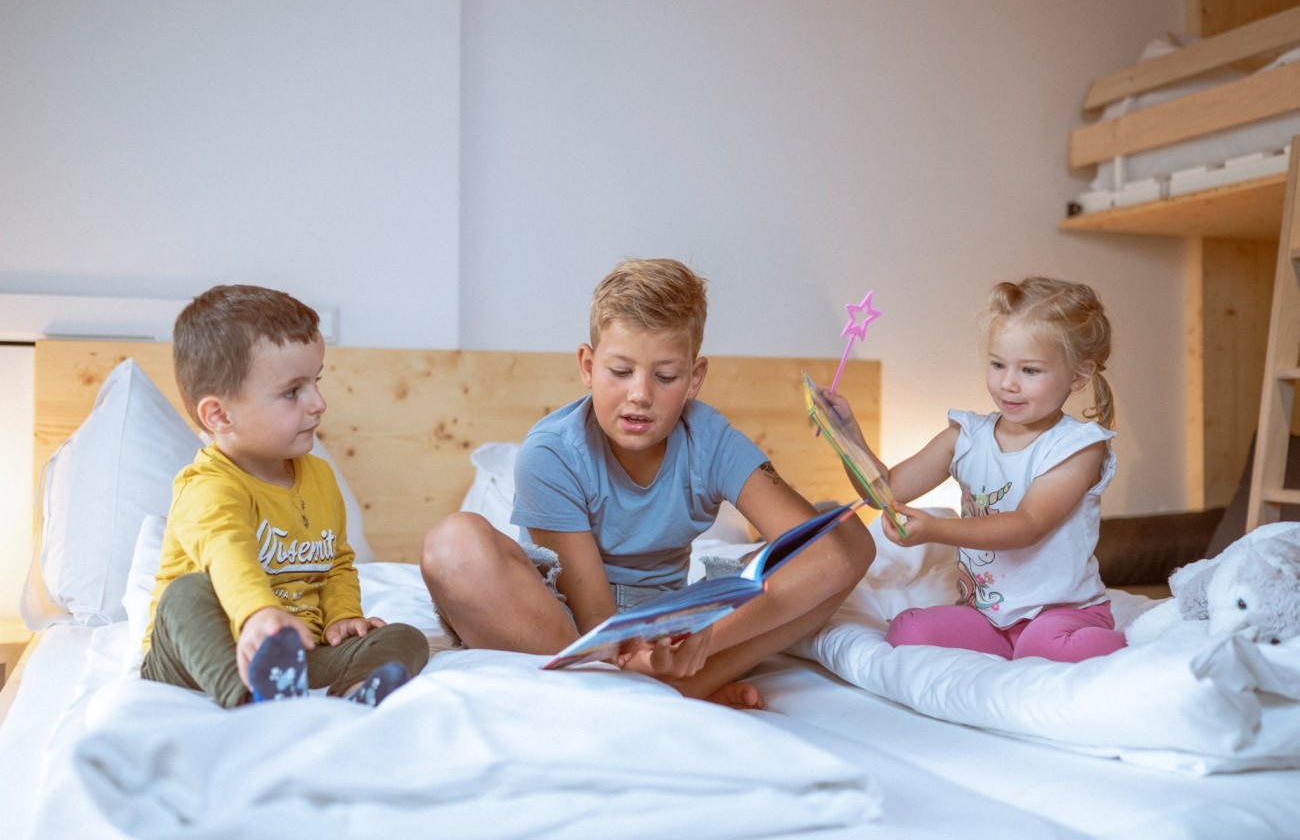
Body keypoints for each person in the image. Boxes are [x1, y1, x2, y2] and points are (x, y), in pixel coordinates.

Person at [421, 258, 874, 706]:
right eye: (620, 372)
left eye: (666, 376)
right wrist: (635, 656)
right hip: (569, 627)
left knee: (844, 531)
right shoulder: (552, 450)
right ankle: (648, 691)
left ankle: (682, 683)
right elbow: (595, 615)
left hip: (673, 626)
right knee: (453, 545)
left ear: (694, 379)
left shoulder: (711, 439)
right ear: (587, 365)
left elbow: (825, 555)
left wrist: (704, 635)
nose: (640, 394)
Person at [140, 284, 429, 707]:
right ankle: (248, 698)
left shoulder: (320, 478)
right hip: (194, 657)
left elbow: (337, 564)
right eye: (293, 391)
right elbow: (227, 553)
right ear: (219, 415)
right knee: (185, 595)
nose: (318, 403)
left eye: (316, 382)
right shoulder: (207, 485)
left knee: (407, 636)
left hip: (298, 654)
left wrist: (343, 616)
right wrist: (258, 614)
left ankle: (354, 693)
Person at [822, 276, 1126, 662]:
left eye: (1030, 371)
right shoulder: (966, 436)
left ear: (1079, 376)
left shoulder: (1078, 446)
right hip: (986, 616)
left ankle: (1134, 648)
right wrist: (849, 439)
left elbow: (1027, 524)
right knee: (907, 630)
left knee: (1043, 646)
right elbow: (884, 492)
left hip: (1062, 612)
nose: (1008, 384)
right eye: (998, 365)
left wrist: (934, 529)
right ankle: (1010, 648)